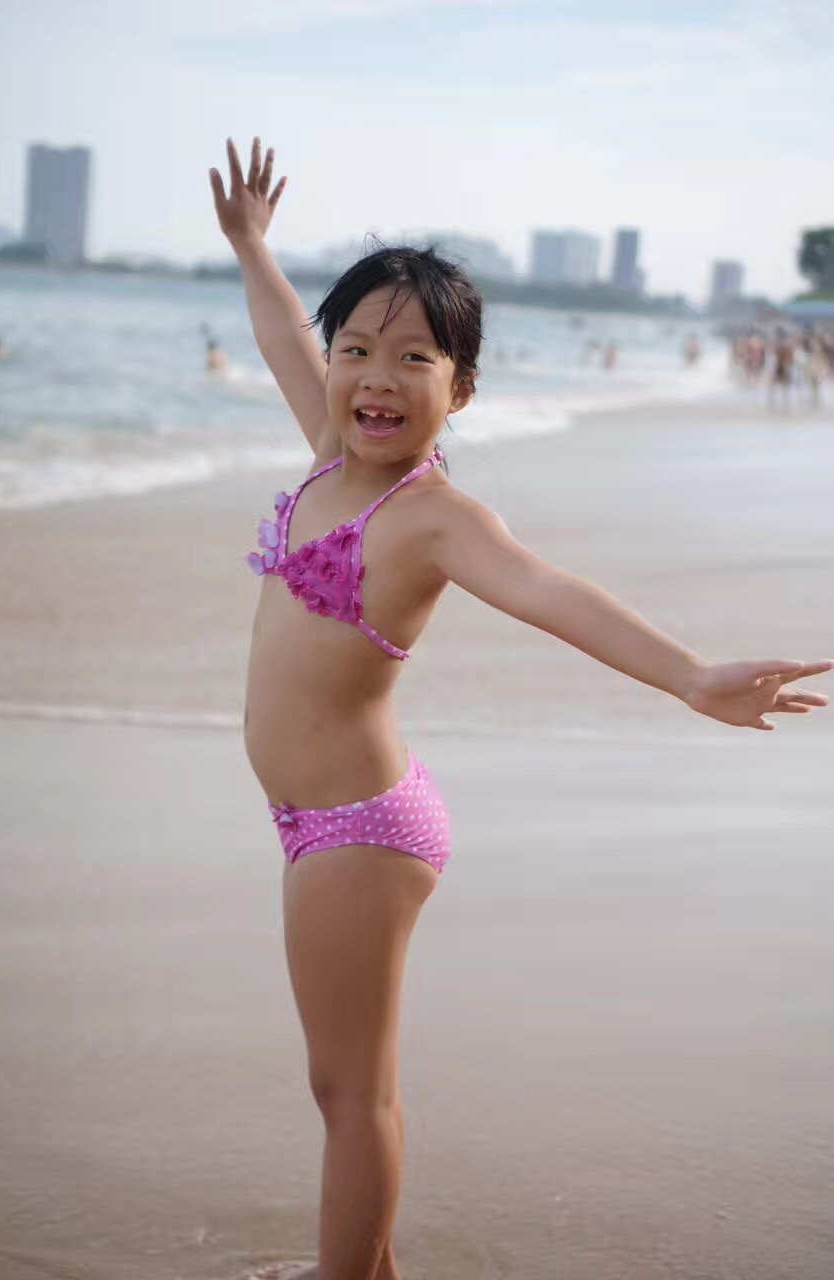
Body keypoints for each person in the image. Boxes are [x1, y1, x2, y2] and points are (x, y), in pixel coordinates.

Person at [209, 137, 833, 1280]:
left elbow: (552, 593)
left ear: (460, 388)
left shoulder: (432, 516)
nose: (374, 377)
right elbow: (280, 332)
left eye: (413, 357)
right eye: (356, 351)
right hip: (312, 820)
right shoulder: (328, 454)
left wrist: (689, 674)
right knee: (339, 1081)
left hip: (356, 830)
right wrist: (252, 245)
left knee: (351, 1090)